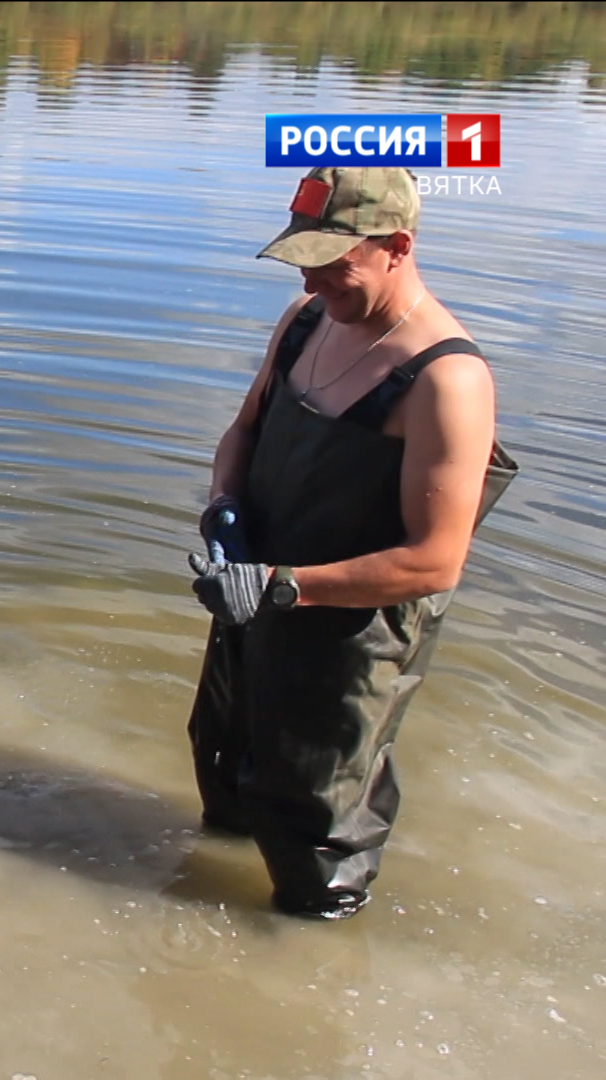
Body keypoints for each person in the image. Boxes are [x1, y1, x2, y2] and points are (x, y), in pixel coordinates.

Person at [186, 167, 517, 920]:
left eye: (332, 263)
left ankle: (308, 982)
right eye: (303, 259)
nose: (311, 281)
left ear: (397, 246)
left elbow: (436, 560)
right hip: (251, 605)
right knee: (226, 778)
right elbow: (243, 431)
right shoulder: (306, 322)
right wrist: (225, 509)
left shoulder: (445, 379)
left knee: (316, 861)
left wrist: (282, 586)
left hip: (348, 645)